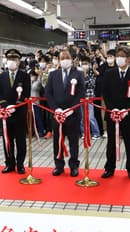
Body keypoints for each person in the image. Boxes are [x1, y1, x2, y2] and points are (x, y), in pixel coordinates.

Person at [101, 46, 130, 180]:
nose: (119, 59)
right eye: (117, 56)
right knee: (111, 143)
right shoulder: (109, 73)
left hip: (129, 114)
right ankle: (109, 168)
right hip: (112, 113)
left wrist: (126, 110)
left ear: (128, 59)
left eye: (122, 56)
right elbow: (105, 93)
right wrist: (113, 108)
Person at [45, 49, 85, 177]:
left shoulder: (78, 74)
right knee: (57, 139)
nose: (64, 61)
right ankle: (58, 165)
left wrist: (71, 109)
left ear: (71, 60)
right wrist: (55, 108)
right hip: (57, 114)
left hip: (73, 113)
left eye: (66, 58)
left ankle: (74, 165)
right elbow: (48, 93)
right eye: (62, 58)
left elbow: (81, 93)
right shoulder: (53, 74)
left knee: (73, 140)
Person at [0, 49, 31, 174]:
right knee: (7, 140)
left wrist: (16, 106)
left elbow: (26, 94)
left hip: (19, 113)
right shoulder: (0, 77)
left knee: (20, 140)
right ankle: (9, 164)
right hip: (6, 114)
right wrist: (5, 105)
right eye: (10, 59)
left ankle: (20, 164)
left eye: (14, 60)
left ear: (19, 61)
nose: (12, 62)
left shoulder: (25, 76)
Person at [80, 56, 100, 139]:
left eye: (86, 64)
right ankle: (84, 133)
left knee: (91, 116)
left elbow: (91, 84)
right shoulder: (78, 73)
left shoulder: (92, 73)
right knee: (81, 117)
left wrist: (85, 75)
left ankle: (96, 133)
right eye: (83, 63)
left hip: (90, 97)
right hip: (81, 97)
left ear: (89, 64)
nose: (84, 65)